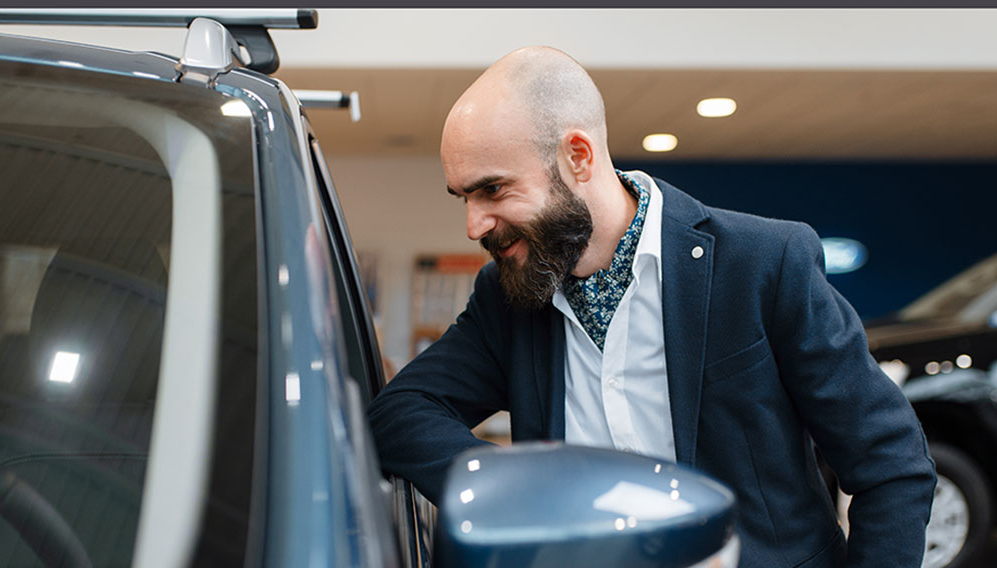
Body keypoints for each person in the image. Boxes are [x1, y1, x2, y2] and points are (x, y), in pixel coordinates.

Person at [367, 46, 936, 567]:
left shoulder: (762, 262)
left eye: (492, 190)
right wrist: (509, 487)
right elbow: (401, 413)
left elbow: (890, 461)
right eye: (463, 197)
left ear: (579, 157)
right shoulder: (509, 296)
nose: (473, 226)